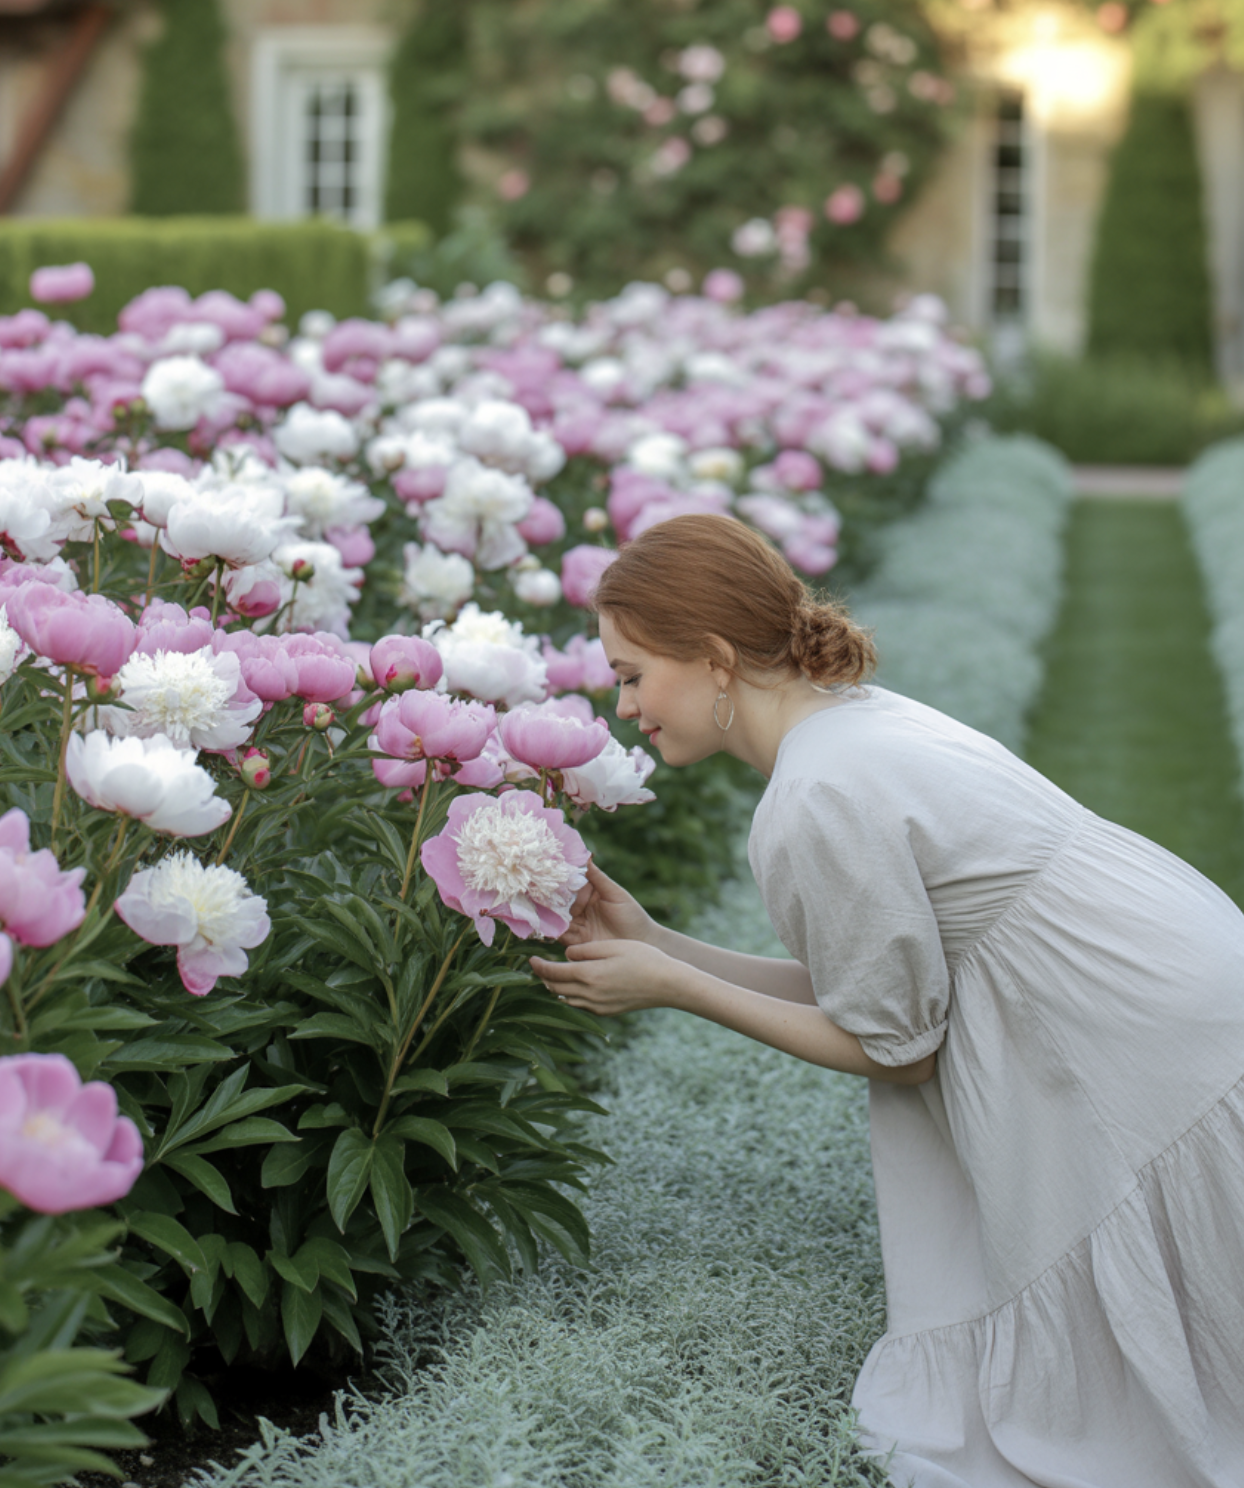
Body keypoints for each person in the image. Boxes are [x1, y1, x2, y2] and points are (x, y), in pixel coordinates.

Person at [529, 513, 1244, 1488]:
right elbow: (876, 997)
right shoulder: (852, 722)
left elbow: (895, 1046)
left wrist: (672, 986)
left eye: (629, 672)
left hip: (1141, 1023)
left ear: (711, 656)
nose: (621, 707)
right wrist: (660, 947)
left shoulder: (813, 798)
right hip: (1170, 971)